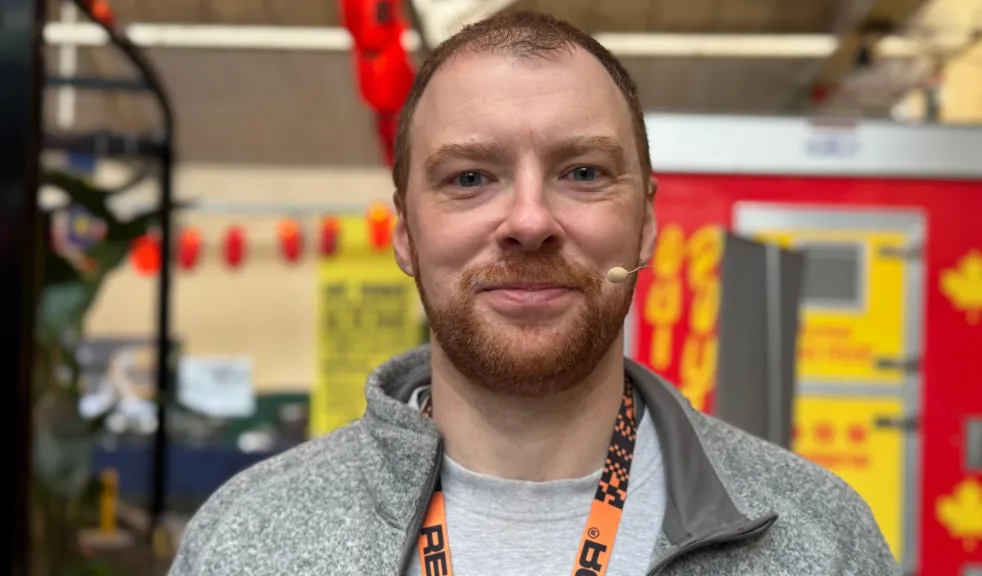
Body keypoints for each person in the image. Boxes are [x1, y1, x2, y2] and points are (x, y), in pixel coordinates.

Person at [169, 11, 898, 576]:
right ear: (404, 236)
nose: (527, 222)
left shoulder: (819, 537)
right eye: (469, 178)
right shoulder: (247, 538)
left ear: (644, 223)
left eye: (581, 172)